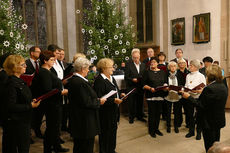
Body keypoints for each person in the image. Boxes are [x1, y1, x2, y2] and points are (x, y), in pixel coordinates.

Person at [181, 65, 228, 152]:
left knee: (209, 145)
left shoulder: (209, 89)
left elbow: (200, 105)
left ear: (209, 75)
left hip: (209, 121)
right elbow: (212, 100)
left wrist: (188, 97)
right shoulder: (222, 85)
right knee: (216, 142)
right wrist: (204, 91)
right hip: (218, 119)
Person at [31, 51, 69, 153]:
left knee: (55, 127)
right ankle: (48, 149)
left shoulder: (49, 71)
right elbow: (47, 90)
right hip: (51, 104)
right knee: (52, 128)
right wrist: (62, 92)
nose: (54, 61)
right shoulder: (44, 72)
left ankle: (56, 147)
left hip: (54, 103)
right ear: (45, 60)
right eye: (51, 60)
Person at [67, 57, 106, 153]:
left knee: (79, 146)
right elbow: (86, 102)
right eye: (87, 68)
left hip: (79, 120)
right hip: (84, 122)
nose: (88, 70)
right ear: (82, 69)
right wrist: (99, 101)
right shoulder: (79, 82)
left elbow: (82, 99)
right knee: (86, 147)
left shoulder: (74, 80)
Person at [2, 55, 40, 153]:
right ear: (15, 67)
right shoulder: (11, 84)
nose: (26, 66)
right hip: (16, 124)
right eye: (23, 64)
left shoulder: (19, 81)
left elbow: (21, 98)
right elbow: (10, 106)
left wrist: (31, 101)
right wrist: (30, 105)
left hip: (23, 121)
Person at [94, 58, 124, 153]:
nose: (113, 69)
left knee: (113, 132)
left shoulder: (111, 77)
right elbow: (99, 99)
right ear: (104, 68)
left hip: (114, 110)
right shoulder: (99, 80)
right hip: (105, 112)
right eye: (111, 67)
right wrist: (113, 100)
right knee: (105, 134)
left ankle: (112, 149)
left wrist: (120, 94)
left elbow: (115, 90)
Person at [142, 57, 168, 138]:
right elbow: (143, 85)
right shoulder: (147, 72)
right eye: (151, 62)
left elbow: (165, 82)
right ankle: (151, 130)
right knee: (152, 114)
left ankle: (156, 129)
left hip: (160, 95)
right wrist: (150, 88)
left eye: (154, 62)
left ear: (157, 63)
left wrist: (165, 86)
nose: (152, 63)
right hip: (151, 96)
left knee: (158, 114)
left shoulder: (163, 72)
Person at [184, 59, 206, 140]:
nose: (189, 67)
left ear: (196, 67)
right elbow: (186, 85)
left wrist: (197, 90)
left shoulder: (201, 76)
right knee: (189, 115)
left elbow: (204, 88)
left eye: (191, 65)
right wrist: (186, 89)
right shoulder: (188, 75)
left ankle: (199, 132)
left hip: (198, 98)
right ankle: (191, 131)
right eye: (189, 65)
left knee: (199, 116)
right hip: (189, 97)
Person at [125, 48, 146, 124]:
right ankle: (131, 117)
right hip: (131, 86)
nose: (136, 59)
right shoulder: (128, 64)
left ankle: (140, 116)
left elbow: (144, 75)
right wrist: (132, 79)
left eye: (137, 57)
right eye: (134, 58)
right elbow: (126, 77)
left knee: (140, 102)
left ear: (139, 56)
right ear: (132, 57)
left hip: (140, 87)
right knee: (131, 103)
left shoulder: (143, 65)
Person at [164, 61, 184, 133]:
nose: (173, 67)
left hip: (177, 95)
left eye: (174, 66)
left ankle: (176, 126)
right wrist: (165, 86)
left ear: (176, 67)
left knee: (177, 112)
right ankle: (168, 126)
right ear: (169, 67)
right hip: (168, 95)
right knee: (168, 112)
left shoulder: (180, 74)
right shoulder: (166, 74)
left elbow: (182, 84)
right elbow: (164, 82)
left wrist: (180, 88)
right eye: (171, 66)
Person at [177, 58, 190, 127]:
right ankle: (179, 122)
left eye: (183, 63)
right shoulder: (176, 72)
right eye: (180, 63)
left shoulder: (188, 72)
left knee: (187, 109)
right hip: (178, 92)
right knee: (178, 109)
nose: (181, 64)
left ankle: (188, 123)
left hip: (186, 93)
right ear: (178, 64)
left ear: (185, 64)